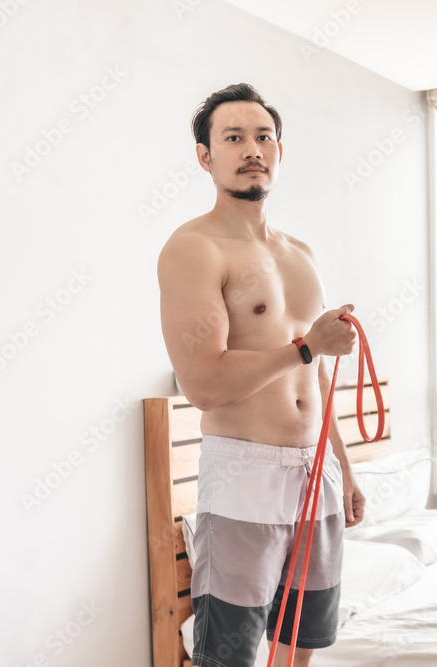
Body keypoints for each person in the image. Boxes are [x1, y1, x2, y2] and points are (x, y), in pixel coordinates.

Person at [157, 83, 364, 667]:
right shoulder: (193, 248)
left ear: (278, 150)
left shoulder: (300, 252)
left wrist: (343, 469)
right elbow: (203, 385)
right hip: (245, 473)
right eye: (233, 137)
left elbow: (315, 373)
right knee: (230, 656)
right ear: (206, 156)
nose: (252, 148)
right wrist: (305, 346)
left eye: (263, 136)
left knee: (298, 647)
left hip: (316, 475)